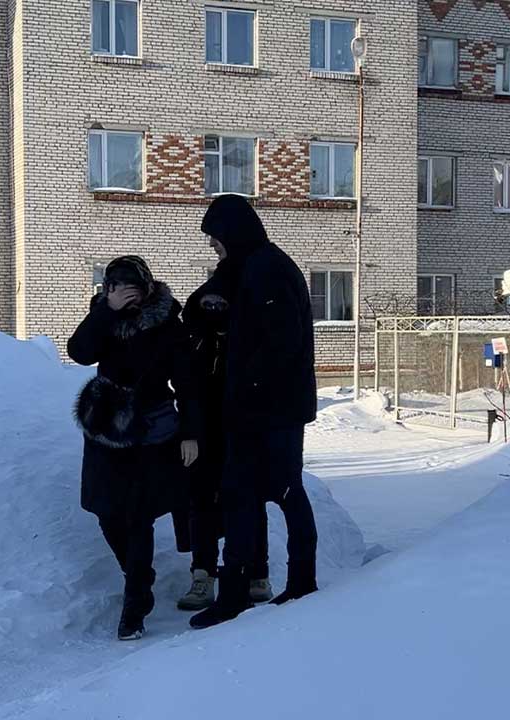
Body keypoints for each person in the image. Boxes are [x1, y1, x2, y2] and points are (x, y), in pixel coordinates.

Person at [189, 195, 319, 630]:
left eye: (216, 239)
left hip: (274, 410)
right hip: (249, 410)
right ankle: (234, 594)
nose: (213, 247)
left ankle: (302, 582)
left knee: (285, 492)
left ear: (234, 233)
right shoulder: (244, 266)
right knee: (241, 496)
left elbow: (282, 343)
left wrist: (250, 391)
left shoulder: (269, 269)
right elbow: (197, 308)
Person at [68, 256, 200, 641]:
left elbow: (188, 382)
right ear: (107, 290)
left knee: (137, 516)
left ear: (146, 288)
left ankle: (135, 603)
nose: (125, 294)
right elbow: (80, 352)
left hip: (152, 429)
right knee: (106, 512)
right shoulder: (103, 318)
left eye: (131, 287)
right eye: (115, 287)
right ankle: (138, 574)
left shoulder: (166, 322)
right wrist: (107, 313)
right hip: (107, 430)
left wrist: (191, 432)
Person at [175, 264, 273, 612]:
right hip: (203, 434)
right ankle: (203, 576)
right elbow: (185, 388)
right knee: (201, 504)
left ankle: (256, 573)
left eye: (223, 303)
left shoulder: (252, 332)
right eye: (210, 302)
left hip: (244, 431)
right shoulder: (193, 335)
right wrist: (188, 433)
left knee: (248, 501)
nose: (215, 309)